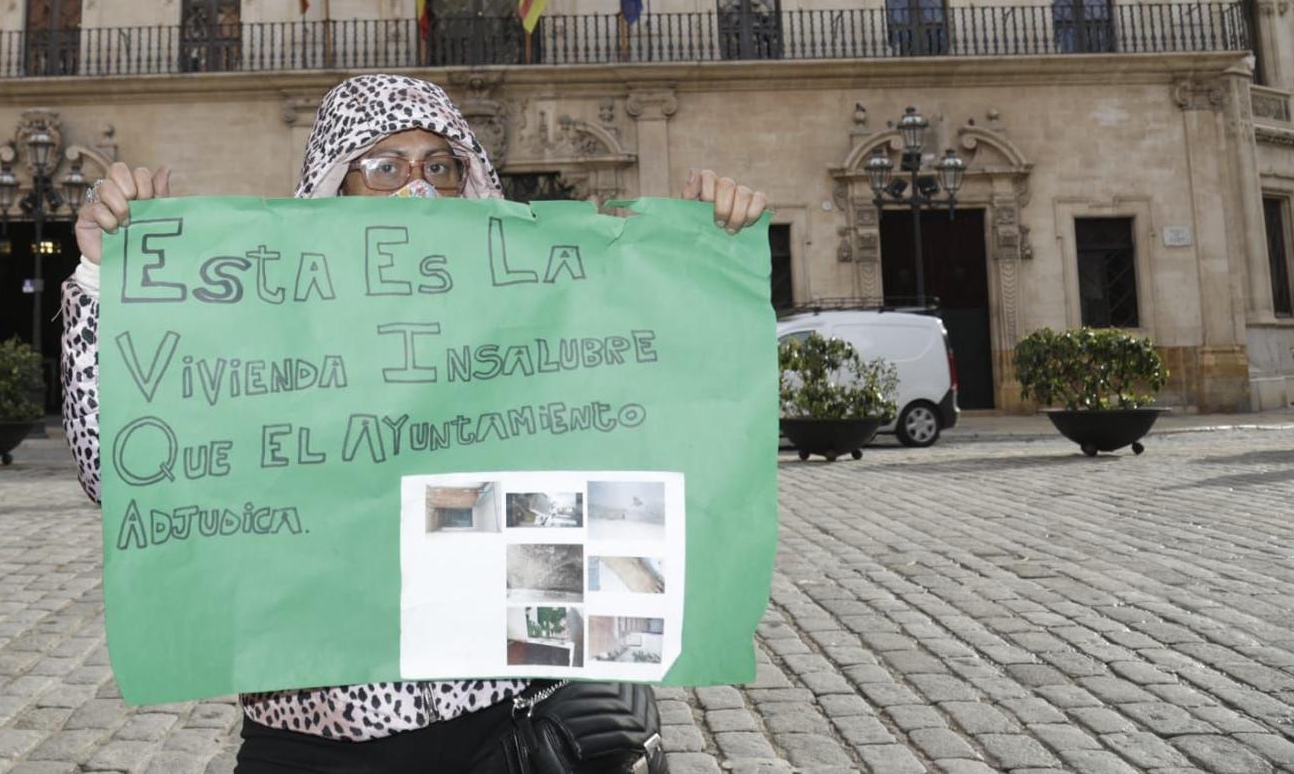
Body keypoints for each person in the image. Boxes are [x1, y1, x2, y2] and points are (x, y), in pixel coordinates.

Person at [58, 73, 768, 772]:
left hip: (497, 726)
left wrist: (709, 256)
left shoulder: (527, 324)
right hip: (308, 735)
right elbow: (114, 471)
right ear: (336, 182)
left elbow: (656, 421)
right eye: (385, 165)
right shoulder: (267, 324)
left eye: (439, 166)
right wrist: (98, 274)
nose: (417, 186)